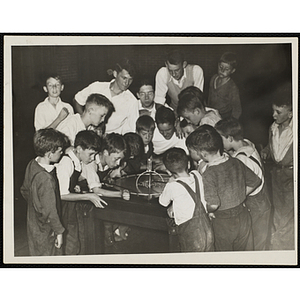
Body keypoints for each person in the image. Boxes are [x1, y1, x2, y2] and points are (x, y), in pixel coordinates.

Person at [186, 125, 261, 251]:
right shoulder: (235, 161)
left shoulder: (209, 173)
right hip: (243, 216)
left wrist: (205, 209)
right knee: (244, 256)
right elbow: (255, 181)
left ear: (202, 154)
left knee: (224, 258)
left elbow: (214, 205)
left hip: (223, 222)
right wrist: (238, 196)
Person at [215, 117, 271, 250]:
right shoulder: (247, 144)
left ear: (229, 138)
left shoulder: (241, 159)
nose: (218, 143)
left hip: (256, 206)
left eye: (220, 139)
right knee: (259, 241)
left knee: (256, 244)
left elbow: (251, 184)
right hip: (263, 202)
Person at [55, 130, 108, 255]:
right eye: (90, 154)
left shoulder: (77, 161)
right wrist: (88, 196)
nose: (92, 159)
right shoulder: (67, 162)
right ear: (78, 149)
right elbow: (61, 194)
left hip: (69, 207)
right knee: (67, 244)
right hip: (59, 207)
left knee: (75, 242)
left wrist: (75, 187)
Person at [20, 128, 69, 256]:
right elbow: (51, 211)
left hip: (33, 223)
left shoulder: (32, 164)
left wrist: (37, 205)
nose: (62, 152)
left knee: (36, 254)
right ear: (49, 154)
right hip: (47, 229)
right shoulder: (46, 179)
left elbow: (24, 190)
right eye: (59, 151)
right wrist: (59, 232)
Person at [159, 148, 214, 252]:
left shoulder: (173, 186)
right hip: (207, 228)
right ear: (188, 164)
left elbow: (162, 202)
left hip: (189, 231)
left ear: (168, 171)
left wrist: (169, 183)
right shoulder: (197, 175)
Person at [261, 84, 294, 250]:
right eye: (273, 110)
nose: (273, 115)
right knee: (279, 213)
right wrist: (266, 151)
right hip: (277, 177)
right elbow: (272, 146)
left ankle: (281, 250)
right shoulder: (273, 128)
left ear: (291, 113)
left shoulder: (295, 131)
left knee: (286, 217)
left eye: (278, 112)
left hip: (291, 177)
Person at [73, 57, 139, 134]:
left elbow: (132, 129)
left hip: (112, 140)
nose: (126, 83)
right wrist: (84, 123)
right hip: (89, 135)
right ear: (115, 74)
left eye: (130, 79)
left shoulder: (132, 101)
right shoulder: (97, 87)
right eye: (124, 78)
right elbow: (77, 100)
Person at [207, 52, 242, 120]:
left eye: (226, 69)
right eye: (221, 67)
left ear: (232, 71)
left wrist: (231, 122)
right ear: (218, 65)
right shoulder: (213, 78)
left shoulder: (232, 87)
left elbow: (237, 108)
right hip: (212, 112)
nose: (222, 70)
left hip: (224, 116)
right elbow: (209, 96)